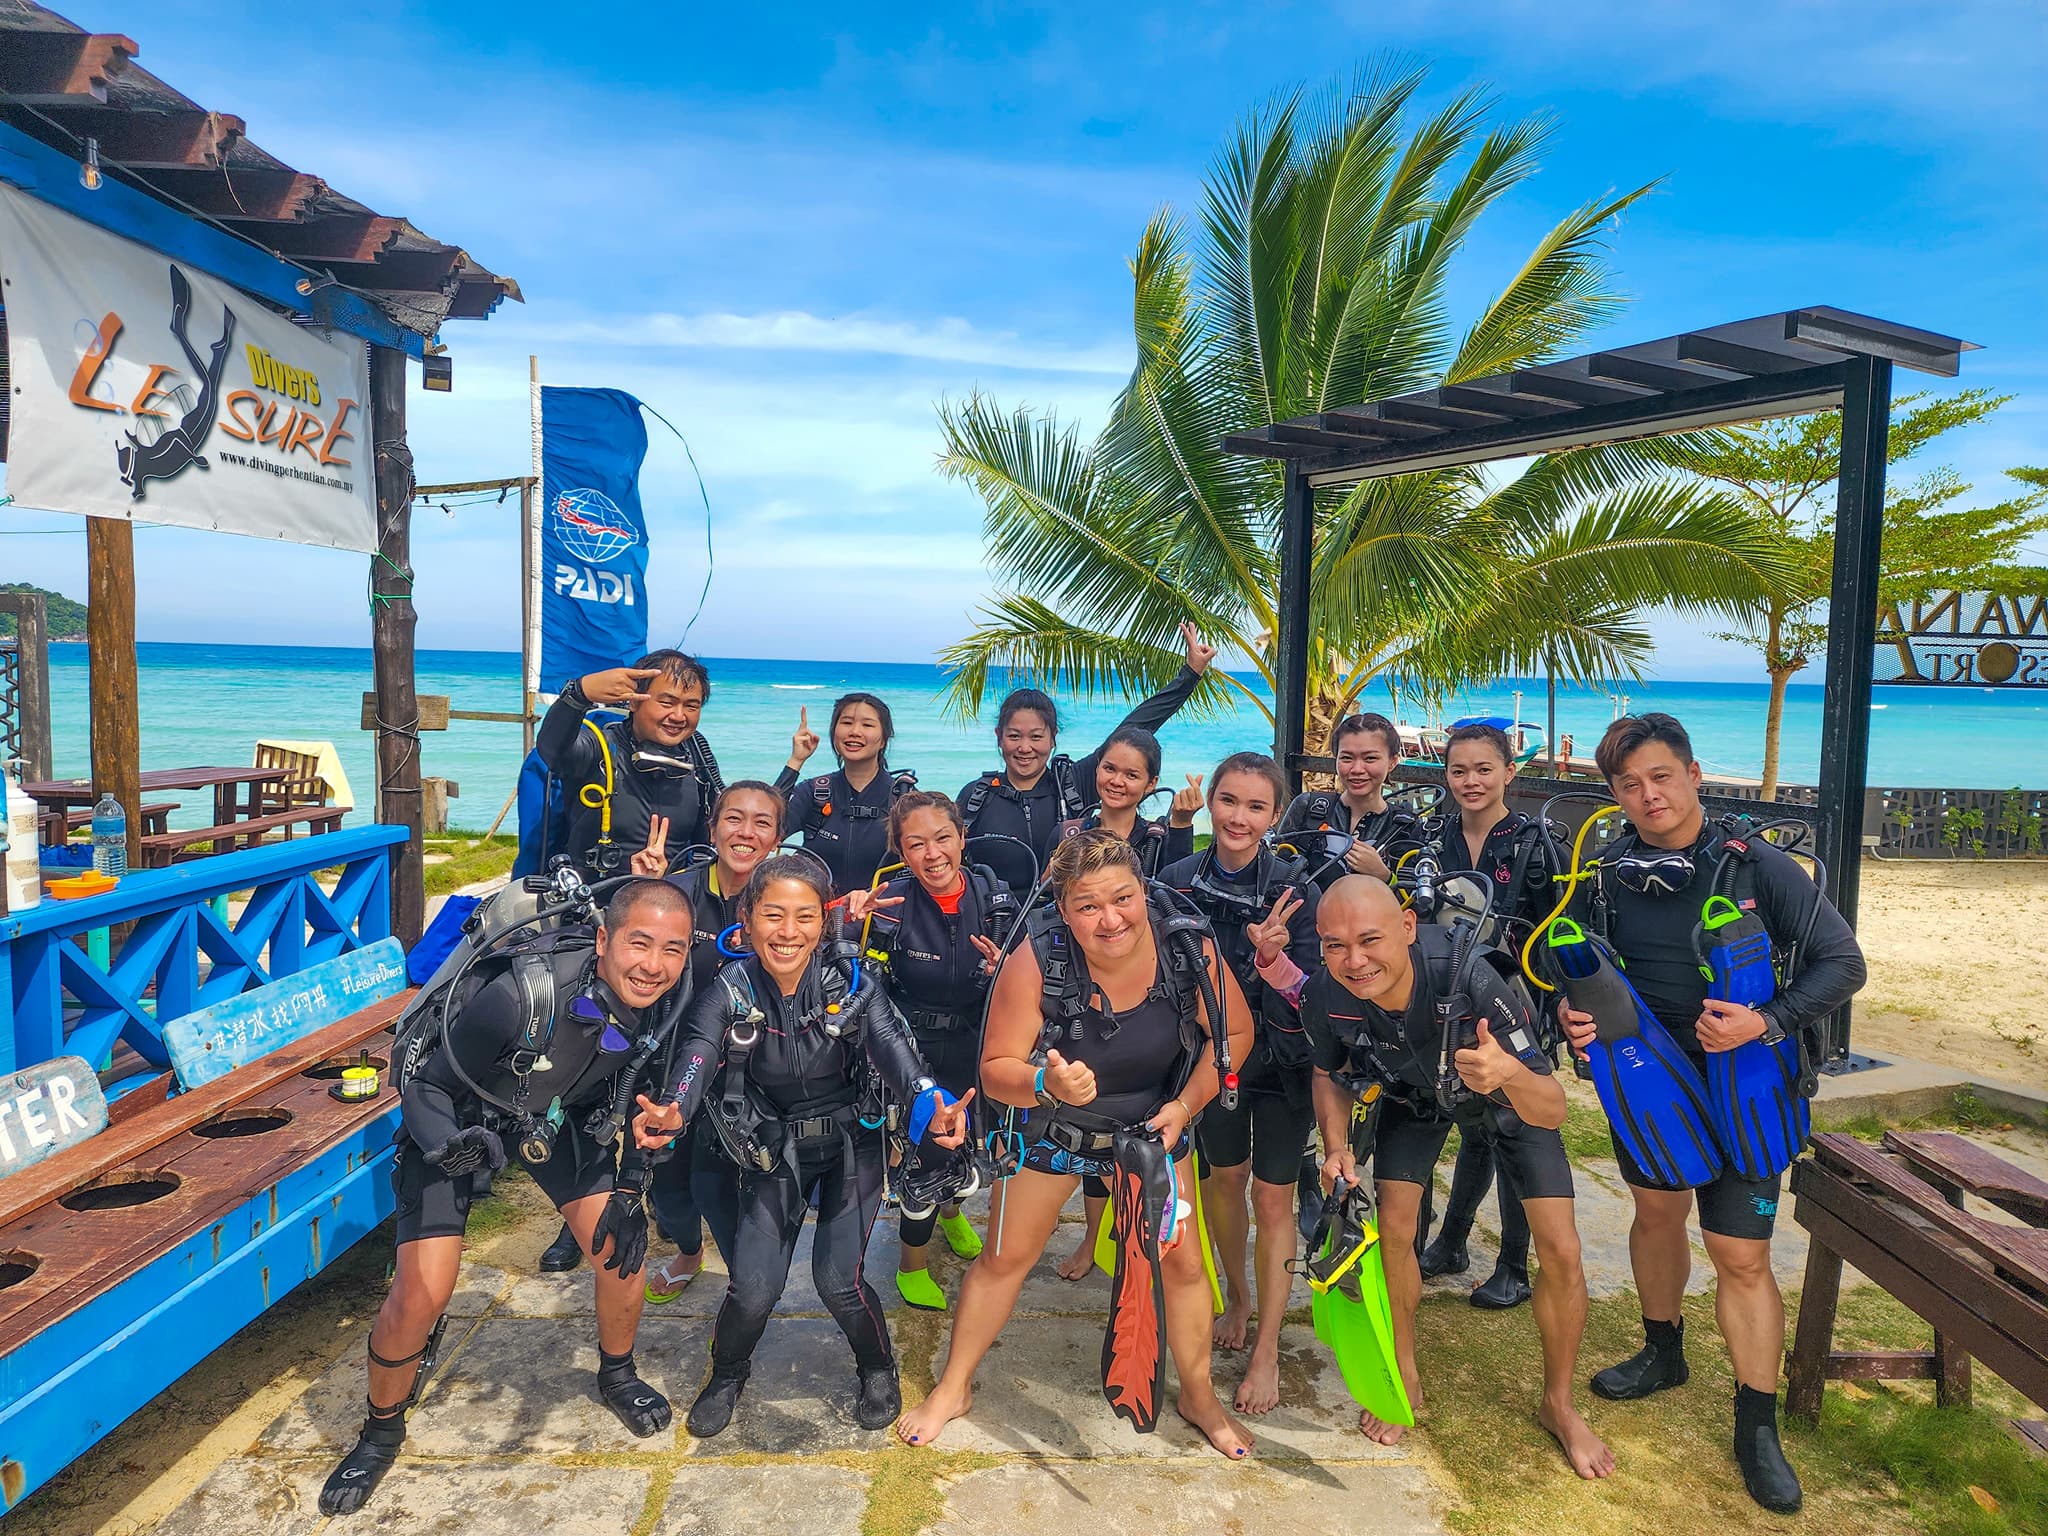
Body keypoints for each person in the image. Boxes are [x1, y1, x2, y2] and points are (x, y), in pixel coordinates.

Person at [1558, 714, 1864, 1513]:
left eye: (1661, 777)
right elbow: (1585, 968)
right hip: (1650, 1085)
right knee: (1656, 1216)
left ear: (1695, 774)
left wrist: (1766, 1022)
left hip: (1747, 1085)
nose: (1647, 796)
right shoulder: (1607, 870)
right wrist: (1573, 1015)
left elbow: (1845, 963)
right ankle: (1665, 1352)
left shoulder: (1758, 866)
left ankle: (1755, 1423)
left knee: (1741, 1254)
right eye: (1629, 785)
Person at [319, 880, 694, 1515]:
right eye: (639, 943)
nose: (653, 965)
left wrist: (633, 1189)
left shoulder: (664, 1001)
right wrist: (446, 1146)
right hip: (458, 1122)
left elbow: (646, 1106)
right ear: (604, 939)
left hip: (551, 1118)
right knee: (424, 1292)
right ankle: (380, 1428)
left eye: (673, 949)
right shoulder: (523, 993)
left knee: (620, 1252)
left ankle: (618, 1372)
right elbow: (427, 1087)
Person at [895, 830, 1257, 1458]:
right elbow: (995, 1068)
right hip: (1055, 1128)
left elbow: (1236, 1034)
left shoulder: (1189, 949)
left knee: (1184, 1265)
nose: (1110, 919)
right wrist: (1045, 1081)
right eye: (1088, 906)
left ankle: (1198, 1393)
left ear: (1144, 891)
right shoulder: (1036, 958)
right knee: (1005, 1259)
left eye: (1123, 898)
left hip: (1156, 1128)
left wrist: (1184, 1106)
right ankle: (953, 1387)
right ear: (1063, 910)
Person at [630, 856, 972, 1437]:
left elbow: (898, 1057)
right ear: (748, 917)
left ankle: (876, 1367)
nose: (788, 932)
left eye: (804, 917)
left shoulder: (852, 984)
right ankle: (727, 1374)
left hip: (850, 1143)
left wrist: (929, 1108)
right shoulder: (728, 992)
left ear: (824, 922)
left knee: (839, 1281)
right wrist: (674, 1110)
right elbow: (696, 1055)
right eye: (773, 915)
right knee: (755, 1286)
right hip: (770, 1145)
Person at [1306, 875, 1612, 1478]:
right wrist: (1336, 1146)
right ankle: (1405, 1371)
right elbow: (1328, 1074)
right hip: (1414, 1098)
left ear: (1407, 928)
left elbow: (1551, 1106)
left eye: (1370, 940)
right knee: (1394, 1229)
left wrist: (1506, 1072)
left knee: (1563, 1252)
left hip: (1506, 1099)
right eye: (1335, 945)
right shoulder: (1326, 991)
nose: (1355, 960)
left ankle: (1559, 1404)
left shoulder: (1471, 977)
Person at [1157, 752, 1321, 1415]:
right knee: (1223, 1179)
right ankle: (1240, 1293)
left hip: (1283, 1062)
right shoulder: (1174, 879)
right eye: (1228, 801)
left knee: (1274, 1199)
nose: (1239, 817)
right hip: (1212, 1060)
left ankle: (1267, 1346)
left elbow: (1320, 995)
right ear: (1210, 803)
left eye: (1256, 807)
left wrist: (1276, 959)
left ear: (1275, 815)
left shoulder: (1295, 888)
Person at [848, 791, 1021, 1310]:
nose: (933, 853)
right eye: (915, 843)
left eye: (943, 838)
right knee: (925, 1158)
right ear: (901, 850)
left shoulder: (994, 898)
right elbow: (855, 981)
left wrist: (1001, 974)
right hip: (911, 1050)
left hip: (973, 1045)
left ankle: (953, 1213)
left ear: (962, 838)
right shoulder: (892, 904)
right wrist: (848, 921)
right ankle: (911, 1262)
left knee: (970, 1152)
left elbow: (1027, 981)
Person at [1414, 722, 1564, 1311]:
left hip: (1516, 1002)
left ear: (1509, 772)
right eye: (1458, 770)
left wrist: (1558, 1008)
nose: (1471, 781)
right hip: (1451, 1002)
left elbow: (1559, 935)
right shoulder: (1434, 837)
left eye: (1483, 769)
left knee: (1515, 1130)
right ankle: (1452, 1242)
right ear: (1445, 776)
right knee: (1471, 1122)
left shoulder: (1535, 842)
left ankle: (1514, 1265)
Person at [957, 622, 1216, 893]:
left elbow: (1137, 728)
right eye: (1014, 736)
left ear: (1053, 737)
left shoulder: (1073, 783)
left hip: (1058, 921)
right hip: (994, 926)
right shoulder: (977, 796)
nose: (1024, 748)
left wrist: (1190, 674)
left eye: (1036, 737)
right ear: (999, 736)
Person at [536, 651, 725, 880]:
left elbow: (727, 830)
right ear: (634, 701)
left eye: (691, 706)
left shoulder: (697, 759)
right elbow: (553, 751)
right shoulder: (600, 749)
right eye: (667, 702)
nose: (678, 716)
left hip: (669, 904)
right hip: (593, 904)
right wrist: (578, 693)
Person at [778, 693, 920, 893]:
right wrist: (795, 761)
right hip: (817, 917)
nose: (854, 732)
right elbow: (768, 830)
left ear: (883, 740)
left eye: (867, 725)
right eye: (846, 722)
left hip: (884, 918)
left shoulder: (903, 799)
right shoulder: (815, 792)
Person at [1277, 713, 1428, 888]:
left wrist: (1384, 875)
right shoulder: (1308, 808)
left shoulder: (1406, 827)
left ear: (1393, 761)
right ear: (1335, 758)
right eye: (1347, 758)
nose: (1357, 769)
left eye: (1370, 758)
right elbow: (1274, 875)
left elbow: (1416, 905)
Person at [1056, 725, 1201, 880]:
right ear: (1098, 768)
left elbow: (1177, 896)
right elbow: (1044, 898)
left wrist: (1182, 824)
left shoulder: (1158, 841)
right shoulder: (1067, 834)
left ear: (1151, 783)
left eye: (1131, 775)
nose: (1116, 781)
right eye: (1109, 769)